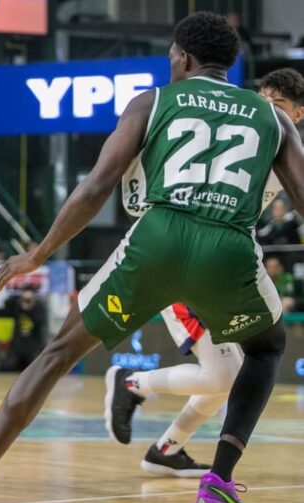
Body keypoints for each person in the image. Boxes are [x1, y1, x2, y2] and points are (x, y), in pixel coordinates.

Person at [0, 12, 304, 503]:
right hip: (227, 247)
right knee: (266, 349)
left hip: (156, 239)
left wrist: (39, 253)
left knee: (57, 355)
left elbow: (95, 186)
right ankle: (219, 480)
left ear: (181, 56)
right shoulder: (275, 118)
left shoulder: (151, 100)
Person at [110, 67, 304, 478]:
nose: (269, 111)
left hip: (221, 266)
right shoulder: (240, 132)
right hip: (184, 259)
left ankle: (166, 448)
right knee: (229, 375)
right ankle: (132, 383)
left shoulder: (282, 145)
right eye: (264, 101)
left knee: (229, 376)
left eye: (280, 107)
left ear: (298, 115)